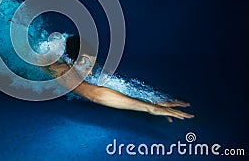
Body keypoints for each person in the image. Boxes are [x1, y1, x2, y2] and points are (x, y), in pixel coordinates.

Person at [42, 35, 194, 122]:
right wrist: (150, 108)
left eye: (92, 65)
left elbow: (116, 84)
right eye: (85, 66)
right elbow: (95, 94)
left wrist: (152, 99)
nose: (90, 73)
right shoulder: (58, 69)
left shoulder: (84, 60)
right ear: (70, 62)